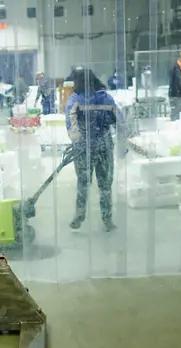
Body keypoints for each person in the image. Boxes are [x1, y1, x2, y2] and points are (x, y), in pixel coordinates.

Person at [65, 68, 121, 232]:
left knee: (83, 182)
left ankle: (79, 214)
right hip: (104, 146)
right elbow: (119, 120)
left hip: (84, 149)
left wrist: (78, 143)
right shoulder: (106, 98)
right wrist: (123, 140)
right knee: (105, 185)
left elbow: (71, 123)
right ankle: (107, 219)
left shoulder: (75, 99)